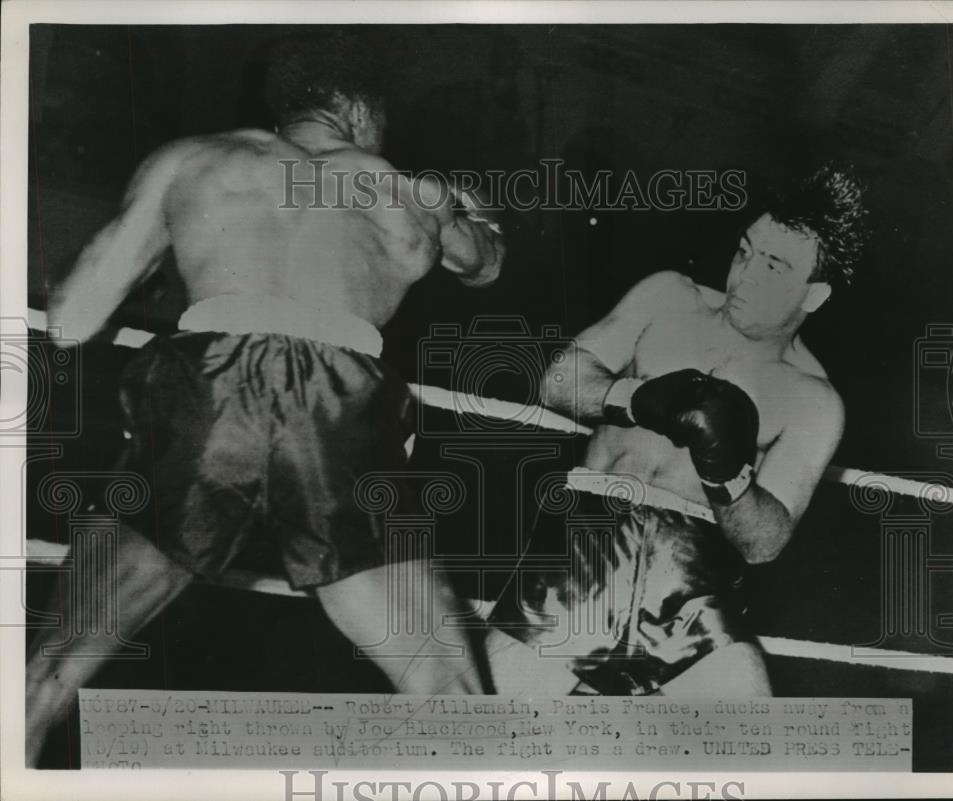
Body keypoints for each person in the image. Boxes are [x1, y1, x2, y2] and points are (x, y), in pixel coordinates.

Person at [26, 32, 504, 765]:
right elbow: (486, 266)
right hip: (339, 406)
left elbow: (68, 321)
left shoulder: (194, 159)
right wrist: (466, 212)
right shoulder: (402, 188)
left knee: (49, 675)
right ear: (357, 110)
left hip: (206, 393)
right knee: (449, 687)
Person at [488, 164, 866, 696]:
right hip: (582, 551)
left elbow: (765, 542)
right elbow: (558, 379)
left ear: (814, 296)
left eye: (774, 265)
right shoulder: (669, 298)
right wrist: (638, 400)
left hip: (692, 587)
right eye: (744, 250)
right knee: (482, 745)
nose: (745, 275)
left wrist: (727, 471)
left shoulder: (815, 401)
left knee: (758, 747)